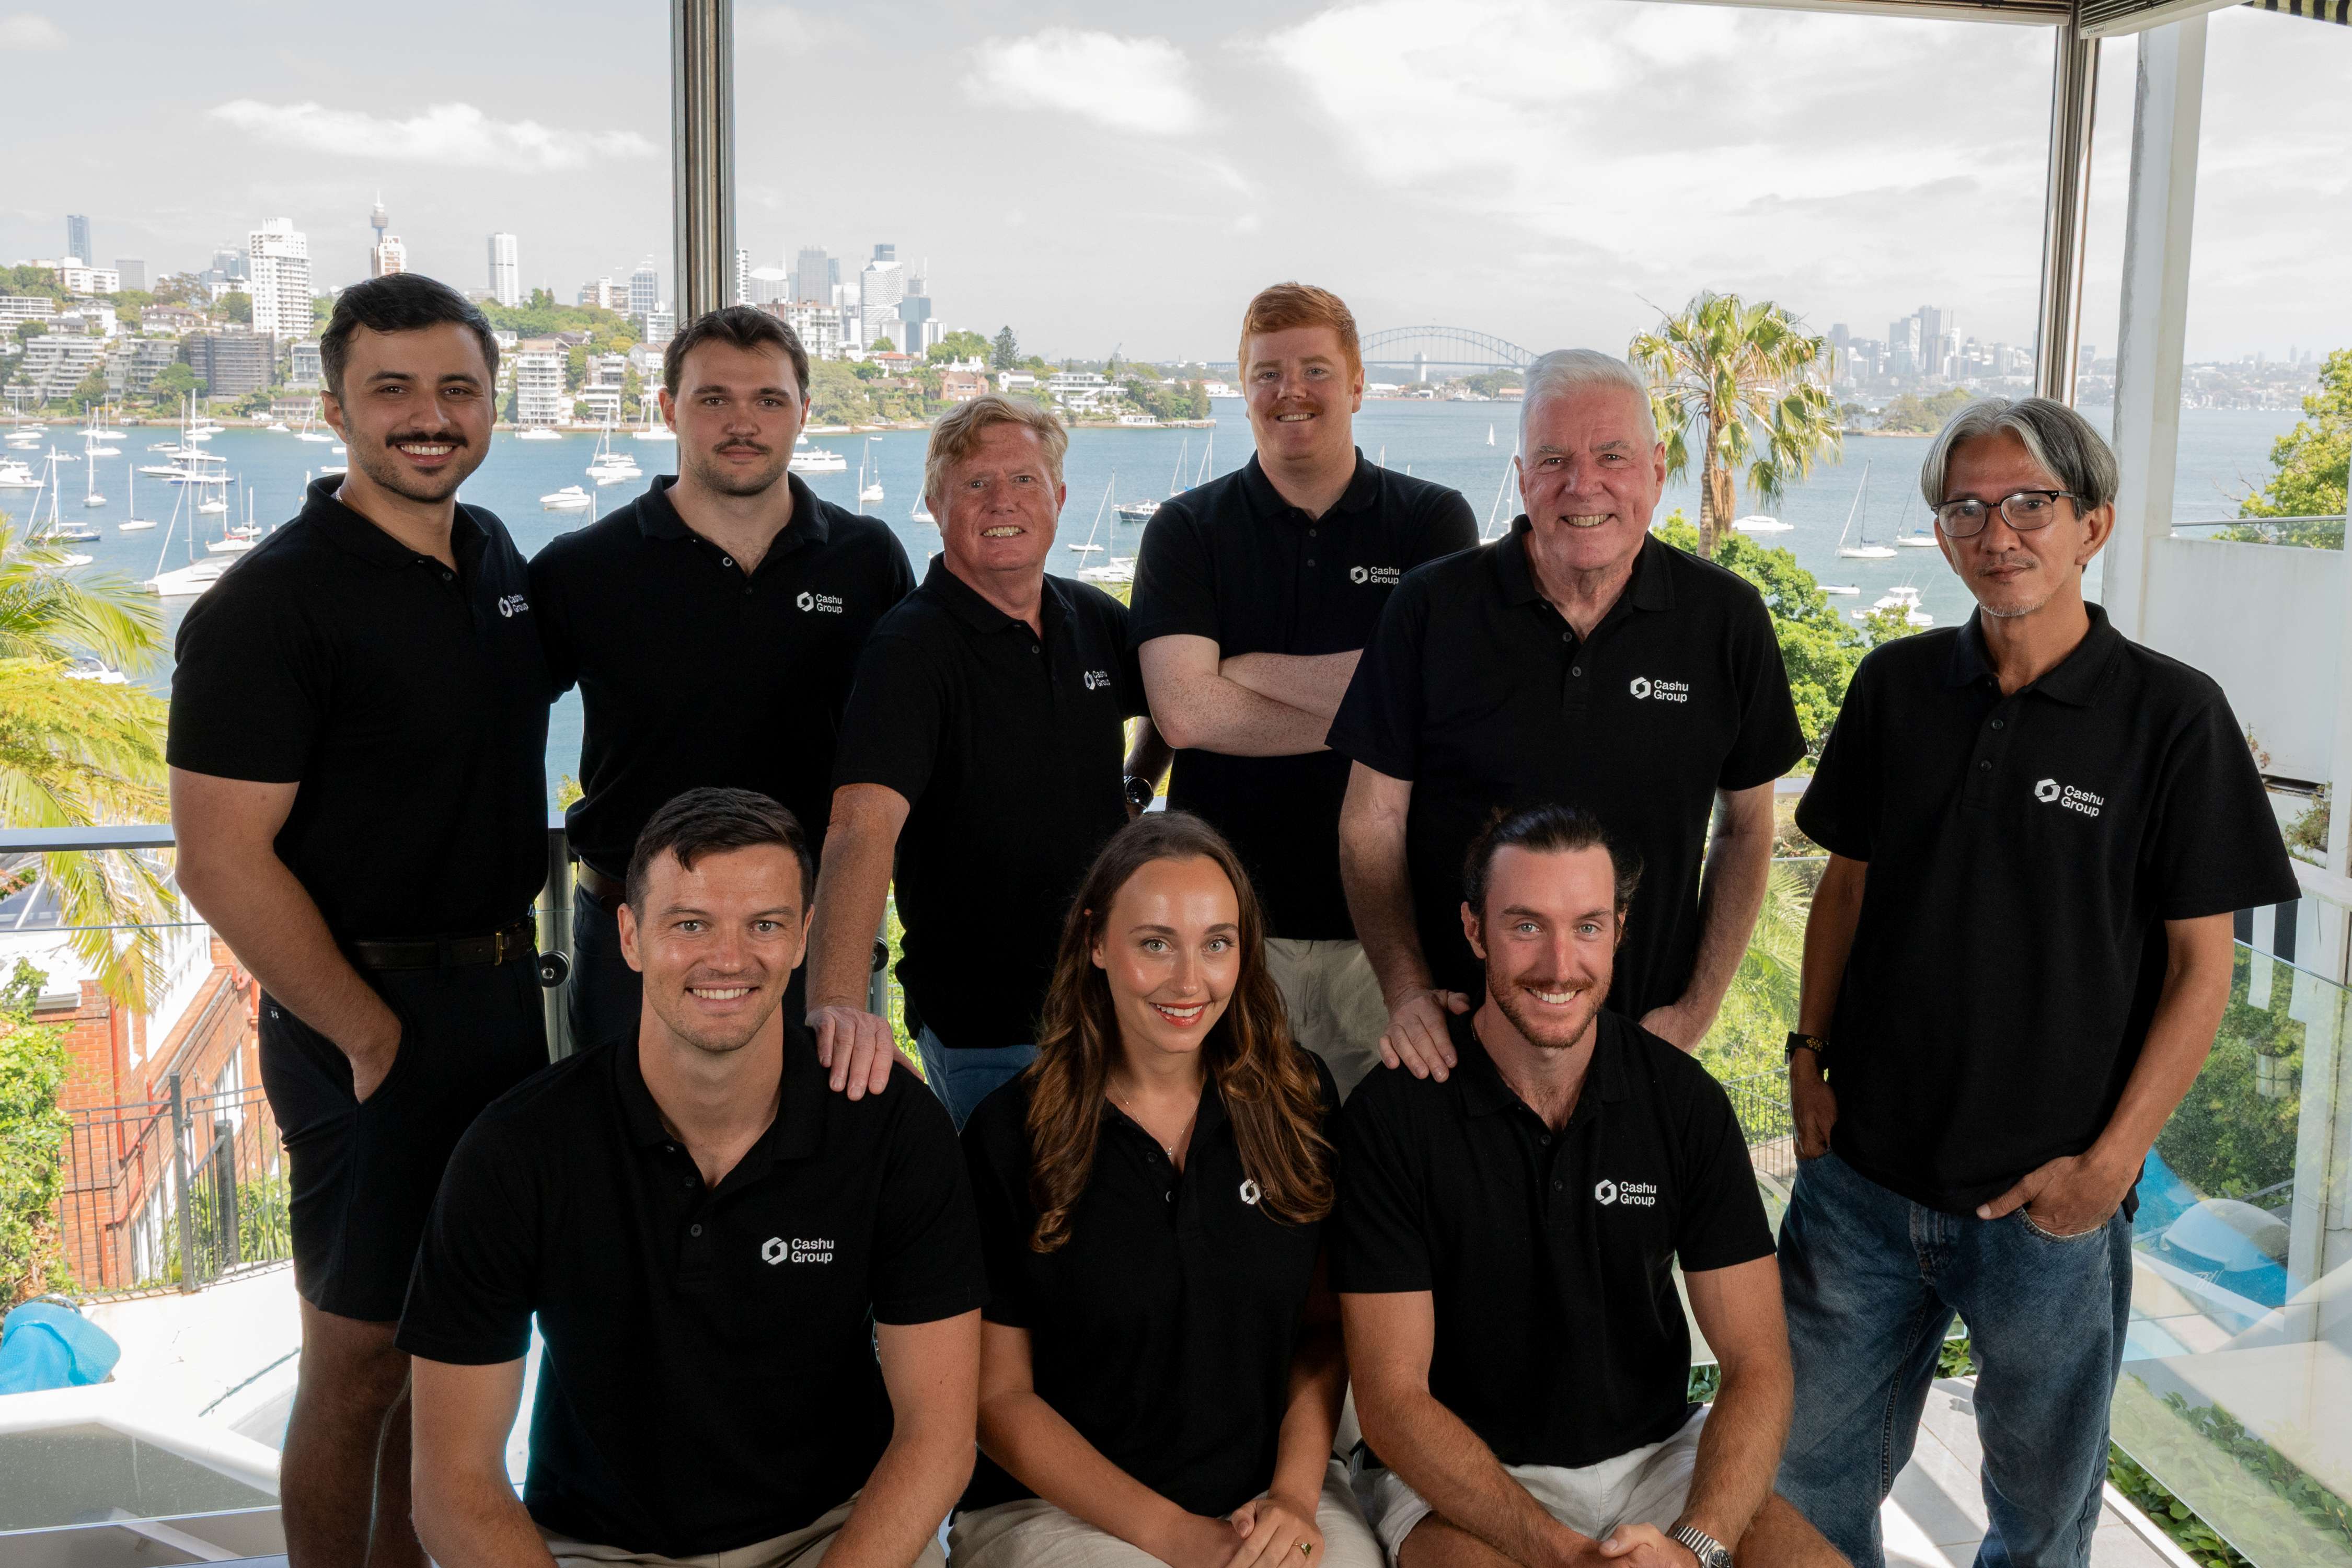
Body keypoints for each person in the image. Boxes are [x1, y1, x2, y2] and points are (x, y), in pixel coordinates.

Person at [1776, 398, 2296, 1568]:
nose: (1996, 531)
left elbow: (2200, 969)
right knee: (1801, 1484)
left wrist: (2110, 1167)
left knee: (2042, 1517)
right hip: (1858, 1184)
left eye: (2029, 504)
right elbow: (1843, 890)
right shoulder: (1894, 686)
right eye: (1966, 507)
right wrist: (1806, 1059)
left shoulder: (2174, 717)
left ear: (2092, 526)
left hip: (2044, 1208)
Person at [168, 272, 551, 1568]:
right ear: (336, 409)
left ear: (493, 405)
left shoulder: (494, 558)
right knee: (358, 1367)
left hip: (504, 1007)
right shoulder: (270, 607)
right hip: (367, 1019)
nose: (428, 417)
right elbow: (219, 862)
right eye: (393, 390)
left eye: (457, 389)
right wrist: (368, 1036)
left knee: (456, 1360)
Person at [401, 788, 985, 1568]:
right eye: (690, 925)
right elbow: (454, 1484)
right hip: (593, 1551)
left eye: (766, 925)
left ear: (806, 936)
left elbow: (938, 1440)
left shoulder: (890, 1127)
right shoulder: (516, 1151)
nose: (729, 958)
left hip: (831, 1538)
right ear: (630, 936)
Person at [1336, 803, 1843, 1568]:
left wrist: (1693, 1548)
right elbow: (1391, 1403)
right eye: (1526, 925)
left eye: (1587, 926)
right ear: (1474, 931)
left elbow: (1758, 1365)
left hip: (1657, 1459)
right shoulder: (1394, 1114)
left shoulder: (1682, 1103)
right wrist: (1564, 1554)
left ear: (1619, 932)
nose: (1559, 963)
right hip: (1466, 1473)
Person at [1330, 350, 1802, 1086]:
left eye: (1611, 455)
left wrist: (1694, 1014)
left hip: (1641, 1050)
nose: (1584, 484)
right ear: (1522, 477)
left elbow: (1746, 828)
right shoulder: (1431, 609)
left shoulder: (1727, 620)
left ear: (1654, 469)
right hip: (1453, 1050)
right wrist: (1407, 992)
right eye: (1554, 459)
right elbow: (1371, 823)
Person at [953, 813, 1382, 1568]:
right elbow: (997, 1401)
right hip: (1061, 1509)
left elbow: (1321, 1336)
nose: (1190, 981)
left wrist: (1290, 1495)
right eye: (1155, 943)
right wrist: (1174, 1536)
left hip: (1265, 1493)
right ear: (1095, 942)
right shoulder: (1010, 1134)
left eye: (1217, 943)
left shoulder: (1299, 1097)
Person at [532, 305, 914, 1056]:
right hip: (634, 939)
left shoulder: (867, 560)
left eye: (769, 401)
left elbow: (915, 738)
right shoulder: (583, 570)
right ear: (671, 408)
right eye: (714, 400)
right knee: (631, 1161)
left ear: (803, 412)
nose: (744, 423)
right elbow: (492, 727)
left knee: (816, 1158)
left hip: (809, 938)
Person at [1133, 284, 1477, 1098]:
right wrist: (1382, 702)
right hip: (1230, 935)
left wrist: (1241, 671)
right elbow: (1182, 712)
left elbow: (1438, 699)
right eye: (1266, 374)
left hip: (1391, 940)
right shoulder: (1186, 530)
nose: (1290, 392)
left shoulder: (1432, 521)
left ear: (1358, 386)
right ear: (1242, 389)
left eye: (1315, 369)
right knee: (1240, 1183)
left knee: (1386, 1191)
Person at [805, 394, 1170, 1128]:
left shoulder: (1091, 617)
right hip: (990, 1033)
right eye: (975, 485)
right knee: (1013, 1236)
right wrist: (838, 1006)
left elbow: (1174, 705)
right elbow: (861, 828)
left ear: (1059, 498)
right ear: (937, 504)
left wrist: (1134, 785)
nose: (1002, 501)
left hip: (1112, 1012)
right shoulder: (910, 650)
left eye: (1025, 480)